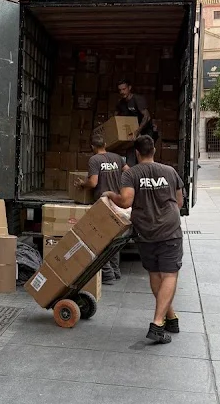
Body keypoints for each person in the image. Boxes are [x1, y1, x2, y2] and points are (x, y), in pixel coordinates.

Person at [107, 133, 184, 345]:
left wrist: (110, 194)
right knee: (169, 274)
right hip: (169, 231)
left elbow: (125, 202)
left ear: (136, 153)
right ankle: (158, 323)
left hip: (146, 231)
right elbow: (179, 201)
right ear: (154, 151)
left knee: (155, 273)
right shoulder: (169, 171)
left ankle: (171, 318)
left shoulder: (131, 174)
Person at [76, 131, 126, 284]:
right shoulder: (117, 158)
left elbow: (93, 183)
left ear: (93, 147)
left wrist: (81, 184)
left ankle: (108, 274)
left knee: (101, 239)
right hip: (116, 202)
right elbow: (129, 172)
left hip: (103, 204)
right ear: (105, 145)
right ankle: (116, 271)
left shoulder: (94, 160)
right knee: (114, 238)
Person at [116, 78, 158, 145]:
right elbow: (118, 118)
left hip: (146, 130)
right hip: (133, 131)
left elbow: (147, 117)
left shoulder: (137, 99)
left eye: (124, 89)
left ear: (129, 88)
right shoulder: (121, 103)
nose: (122, 92)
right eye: (120, 90)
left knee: (145, 151)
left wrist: (138, 131)